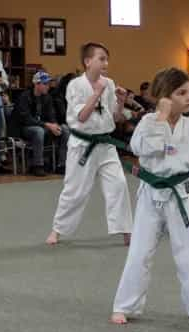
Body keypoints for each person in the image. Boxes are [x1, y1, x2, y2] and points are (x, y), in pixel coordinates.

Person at [111, 68, 189, 324]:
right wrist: (161, 116)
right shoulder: (148, 122)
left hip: (183, 193)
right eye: (182, 93)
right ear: (164, 96)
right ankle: (124, 306)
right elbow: (144, 148)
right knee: (140, 252)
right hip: (152, 194)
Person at [45, 42, 132, 246]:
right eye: (101, 58)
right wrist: (96, 93)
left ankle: (126, 230)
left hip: (105, 144)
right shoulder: (75, 86)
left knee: (119, 184)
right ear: (87, 61)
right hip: (82, 145)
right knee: (75, 191)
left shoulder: (108, 83)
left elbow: (115, 117)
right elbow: (82, 117)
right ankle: (57, 230)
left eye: (107, 59)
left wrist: (120, 101)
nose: (106, 63)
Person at [15, 71, 70, 176]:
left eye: (49, 84)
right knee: (38, 131)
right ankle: (38, 165)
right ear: (36, 84)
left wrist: (54, 125)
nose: (48, 87)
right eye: (45, 84)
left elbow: (51, 115)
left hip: (43, 126)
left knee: (65, 129)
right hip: (25, 128)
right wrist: (47, 125)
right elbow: (27, 119)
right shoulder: (24, 97)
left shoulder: (47, 98)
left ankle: (61, 165)